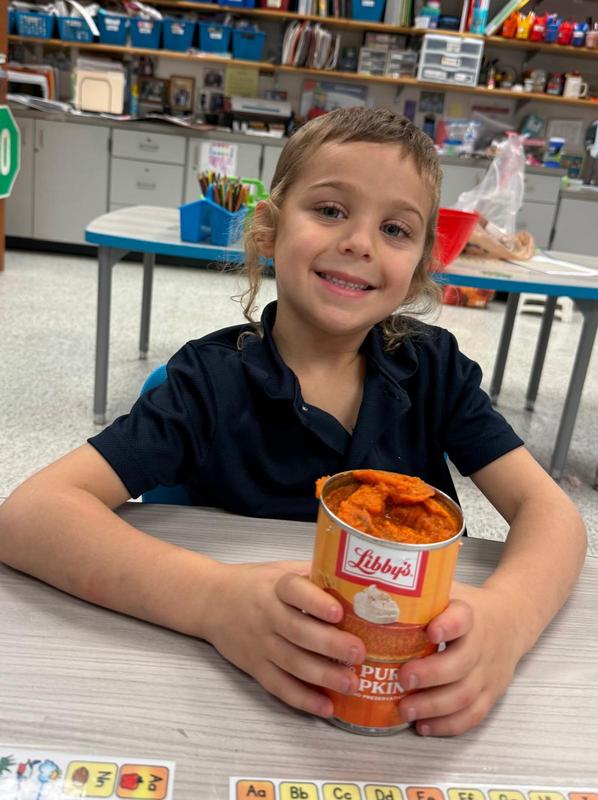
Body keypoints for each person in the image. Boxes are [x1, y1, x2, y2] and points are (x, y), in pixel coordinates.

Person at [0, 107, 586, 737]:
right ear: (269, 232)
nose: (360, 242)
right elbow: (28, 517)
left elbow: (553, 516)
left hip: (398, 698)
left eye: (395, 228)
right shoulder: (209, 382)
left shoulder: (433, 371)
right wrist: (214, 601)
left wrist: (508, 620)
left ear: (418, 267)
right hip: (225, 699)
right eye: (331, 210)